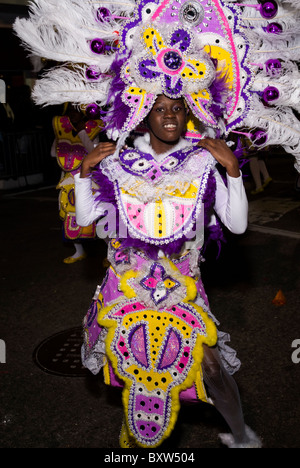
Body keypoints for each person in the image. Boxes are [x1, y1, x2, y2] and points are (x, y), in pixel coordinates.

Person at [74, 94, 261, 448]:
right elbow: (85, 219)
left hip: (181, 285)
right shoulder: (117, 160)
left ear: (186, 112)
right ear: (146, 115)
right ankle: (133, 432)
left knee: (212, 370)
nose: (169, 117)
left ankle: (242, 436)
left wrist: (233, 171)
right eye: (159, 109)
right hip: (127, 284)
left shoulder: (202, 161)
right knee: (133, 362)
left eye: (176, 108)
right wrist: (84, 171)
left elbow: (236, 225)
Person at [51, 103, 103, 263]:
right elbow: (54, 153)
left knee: (98, 218)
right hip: (68, 180)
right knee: (68, 215)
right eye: (70, 112)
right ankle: (79, 251)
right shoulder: (61, 130)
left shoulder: (92, 129)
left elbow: (94, 152)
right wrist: (63, 140)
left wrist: (81, 132)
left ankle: (109, 253)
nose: (73, 115)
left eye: (76, 112)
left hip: (89, 179)